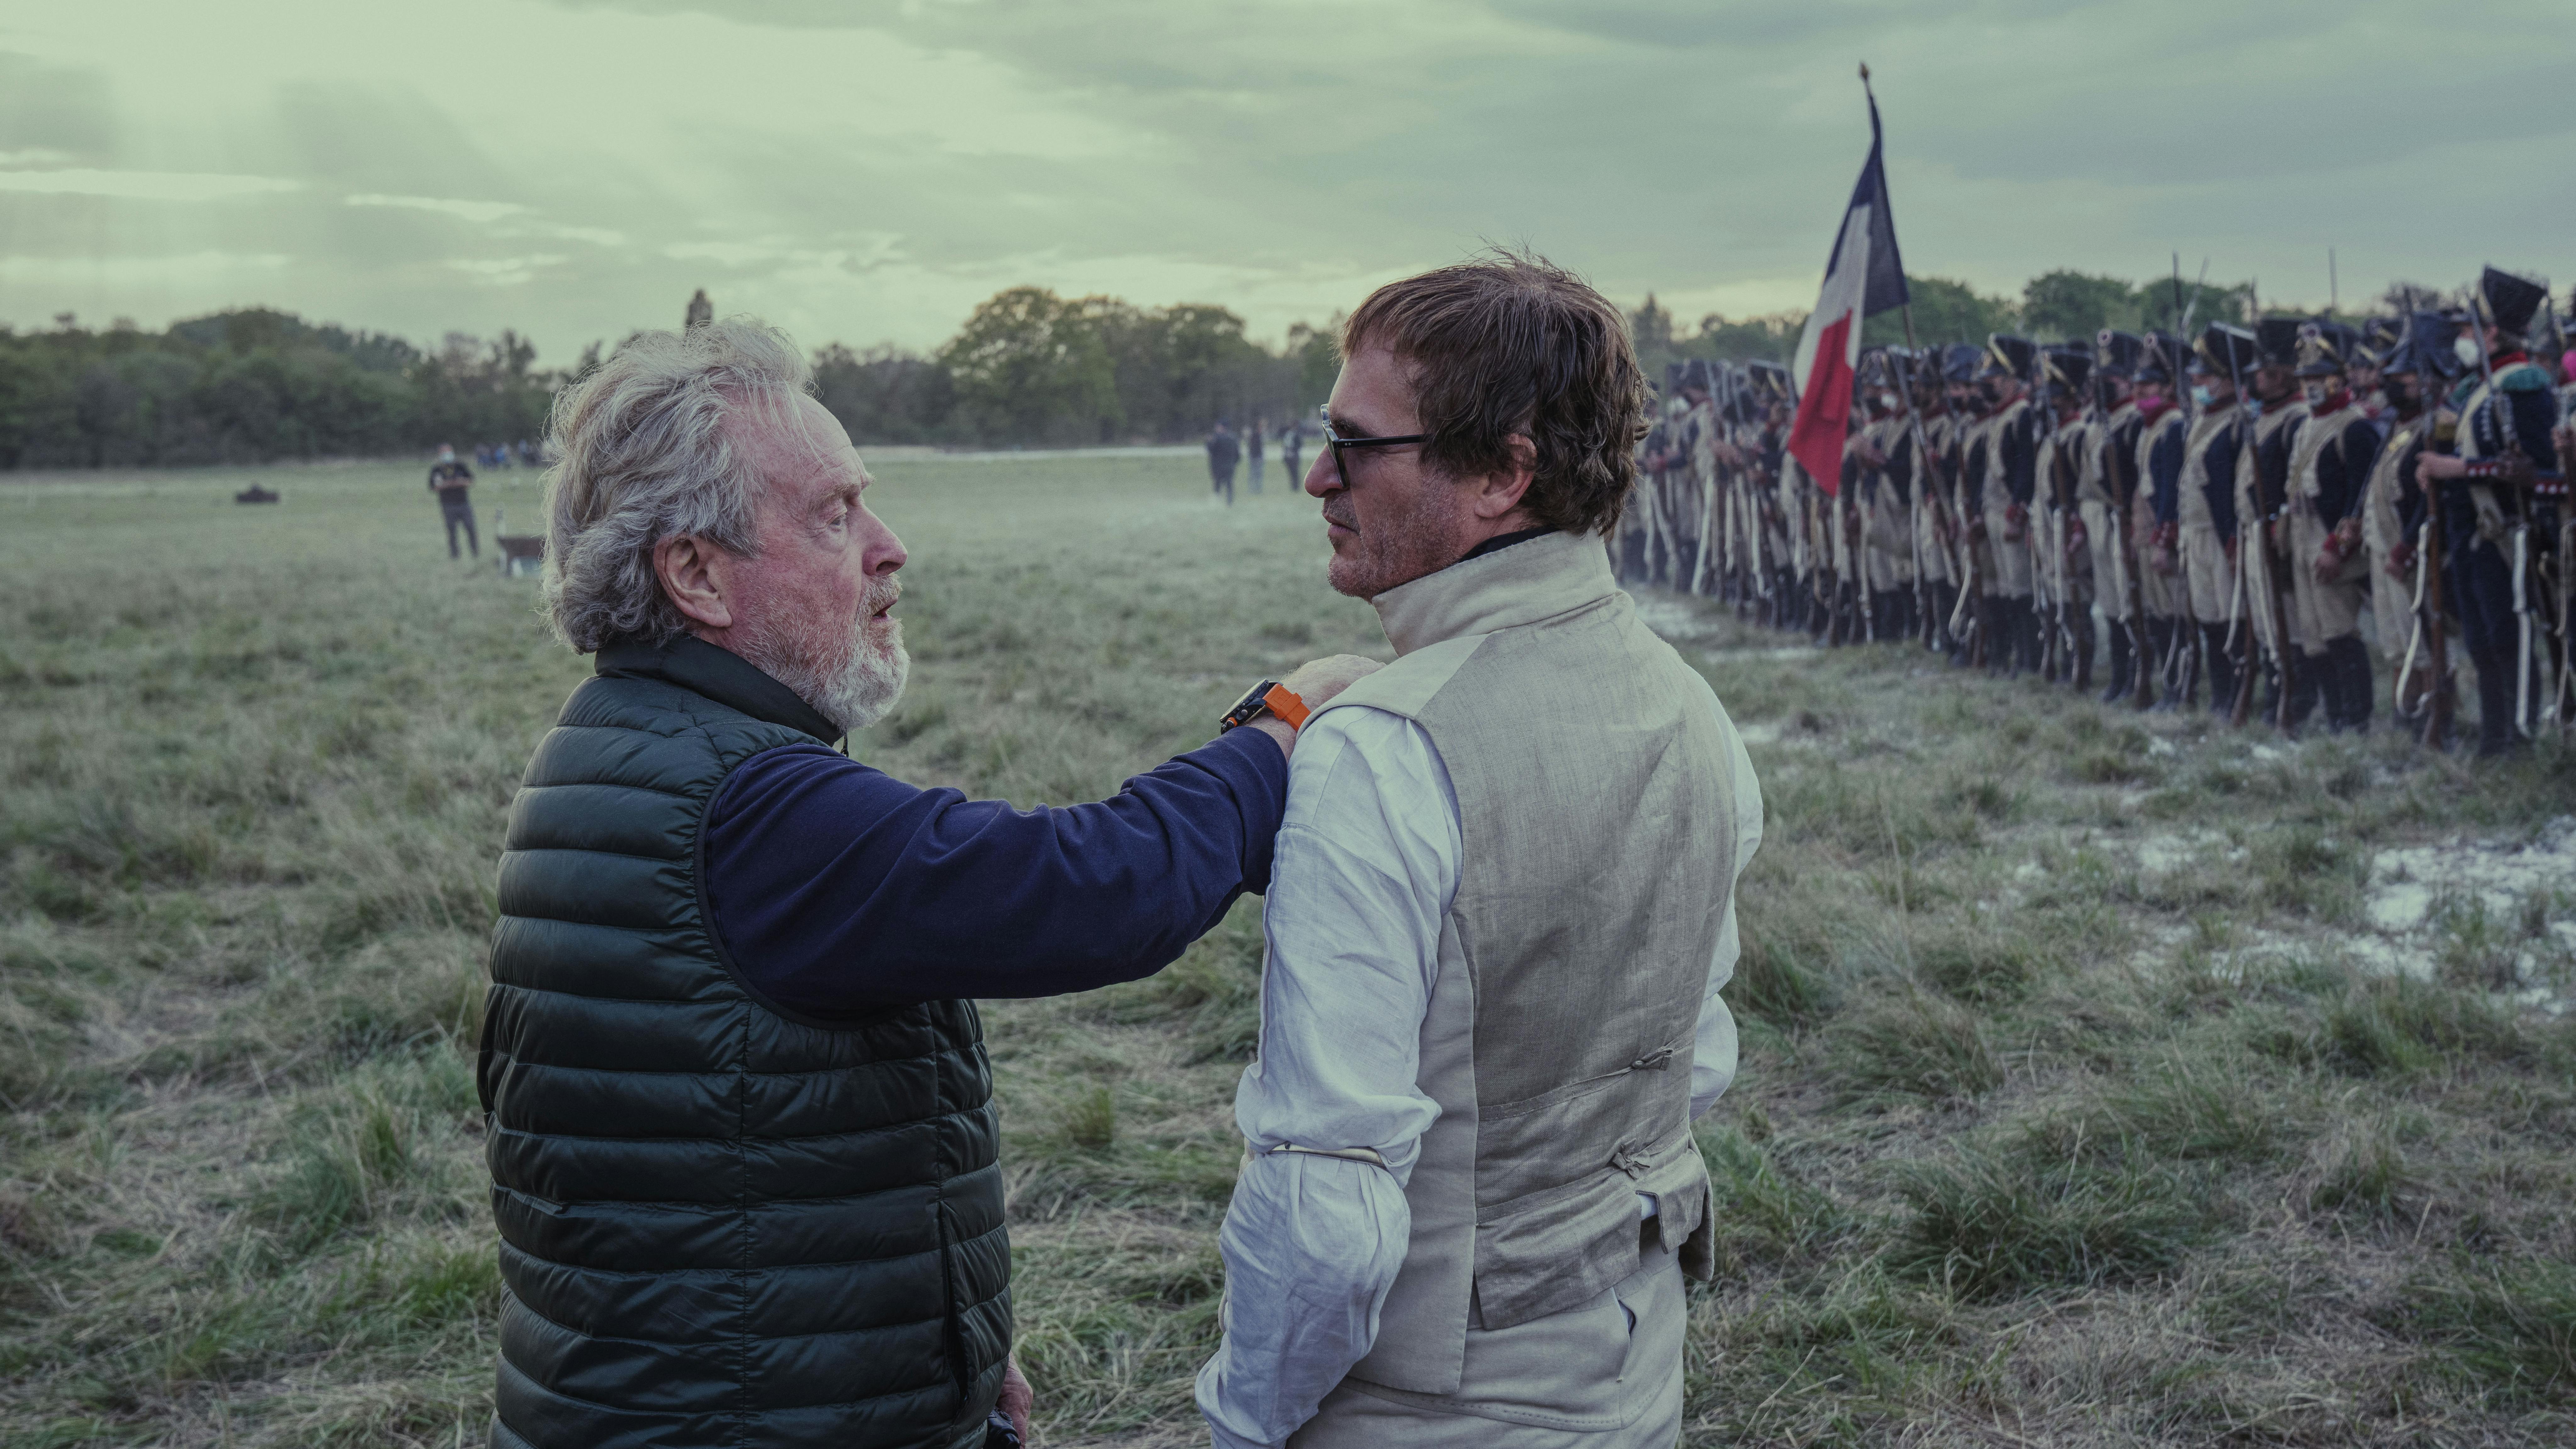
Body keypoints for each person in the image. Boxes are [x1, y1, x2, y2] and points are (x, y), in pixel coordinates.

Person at [479, 319, 1382, 1449]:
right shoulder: (748, 810)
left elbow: (716, 1167)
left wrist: (932, 1354)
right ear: (695, 573)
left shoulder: (625, 744)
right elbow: (1092, 887)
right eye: (833, 512)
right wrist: (1278, 729)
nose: (889, 544)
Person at [1194, 252, 1765, 1449]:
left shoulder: (1378, 752)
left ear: (1503, 472)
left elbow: (1322, 1198)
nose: (1315, 476)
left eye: (1357, 444)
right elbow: (1688, 1058)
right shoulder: (1691, 704)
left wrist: (1244, 1417)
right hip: (1631, 1366)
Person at [2415, 266, 2562, 756]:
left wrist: (2455, 470)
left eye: (2467, 328)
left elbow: (2541, 471)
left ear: (2492, 331)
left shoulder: (2524, 385)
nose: (2461, 338)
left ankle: (2519, 737)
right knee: (2482, 642)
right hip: (2471, 536)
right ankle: (2494, 737)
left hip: (2509, 536)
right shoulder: (2480, 388)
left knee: (2510, 639)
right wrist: (2435, 471)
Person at [2281, 322, 2384, 731]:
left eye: (2319, 377)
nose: (2311, 386)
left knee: (2340, 632)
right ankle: (2335, 712)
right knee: (2314, 636)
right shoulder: (2307, 424)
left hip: (2332, 540)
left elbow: (2358, 497)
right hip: (2302, 533)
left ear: (2339, 378)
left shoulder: (2354, 426)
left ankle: (2357, 718)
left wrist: (2336, 547)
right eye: (2306, 378)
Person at [428, 444, 478, 560]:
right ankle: (455, 555)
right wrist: (448, 485)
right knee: (452, 531)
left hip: (464, 503)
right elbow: (433, 487)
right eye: (444, 453)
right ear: (440, 455)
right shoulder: (437, 469)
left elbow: (471, 480)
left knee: (470, 528)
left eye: (449, 452)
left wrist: (459, 483)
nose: (447, 455)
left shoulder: (460, 466)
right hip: (448, 505)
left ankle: (475, 552)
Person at [1208, 420, 1242, 504]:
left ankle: (1217, 500)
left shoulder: (1217, 439)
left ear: (1223, 428)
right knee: (1229, 484)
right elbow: (1237, 454)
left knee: (1218, 483)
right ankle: (1230, 501)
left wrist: (1209, 442)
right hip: (1230, 465)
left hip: (1219, 466)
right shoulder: (1234, 438)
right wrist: (1234, 463)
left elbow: (1211, 450)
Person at [1249, 417, 1267, 494]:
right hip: (1256, 458)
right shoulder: (1256, 436)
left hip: (1256, 458)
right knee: (1256, 474)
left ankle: (1256, 490)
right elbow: (1255, 449)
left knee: (1256, 474)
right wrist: (1259, 458)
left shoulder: (1256, 436)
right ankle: (1255, 490)